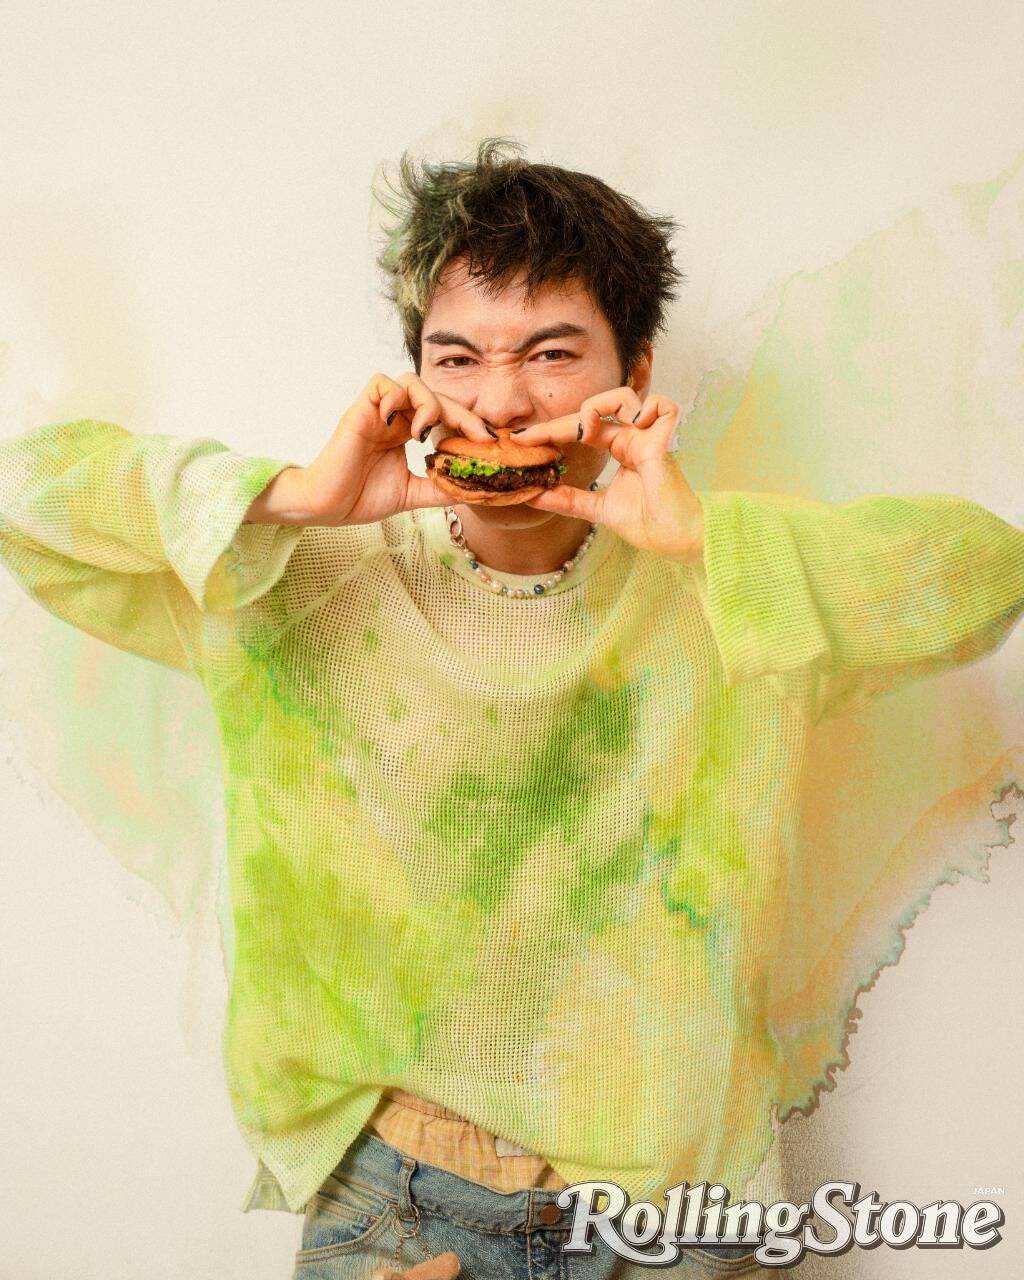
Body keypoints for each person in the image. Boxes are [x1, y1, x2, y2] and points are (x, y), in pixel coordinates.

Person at [1, 137, 1022, 1279]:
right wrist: (290, 498)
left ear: (634, 373)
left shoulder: (733, 595)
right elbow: (24, 497)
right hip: (395, 1201)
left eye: (551, 354)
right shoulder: (299, 580)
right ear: (411, 379)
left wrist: (705, 538)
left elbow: (988, 574)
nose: (500, 402)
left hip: (677, 1214)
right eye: (458, 359)